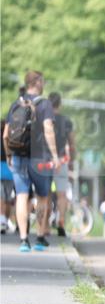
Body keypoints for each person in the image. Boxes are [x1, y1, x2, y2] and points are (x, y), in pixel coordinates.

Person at [4, 71, 61, 252]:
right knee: (42, 197)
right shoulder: (44, 104)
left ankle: (23, 240)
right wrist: (55, 156)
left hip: (18, 155)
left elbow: (6, 134)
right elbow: (48, 130)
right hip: (40, 158)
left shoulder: (16, 104)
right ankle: (39, 236)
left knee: (21, 196)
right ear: (37, 82)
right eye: (42, 80)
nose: (44, 83)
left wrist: (8, 155)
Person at [49, 92, 75, 237]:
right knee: (62, 194)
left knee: (44, 194)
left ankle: (44, 226)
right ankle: (61, 222)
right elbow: (72, 143)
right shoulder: (66, 121)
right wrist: (72, 161)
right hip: (61, 161)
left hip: (45, 161)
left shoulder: (43, 120)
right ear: (60, 104)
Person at [0, 120, 13, 235]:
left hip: (5, 169)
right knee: (6, 197)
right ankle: (4, 220)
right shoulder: (11, 138)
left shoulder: (7, 138)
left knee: (4, 197)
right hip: (9, 169)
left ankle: (4, 220)